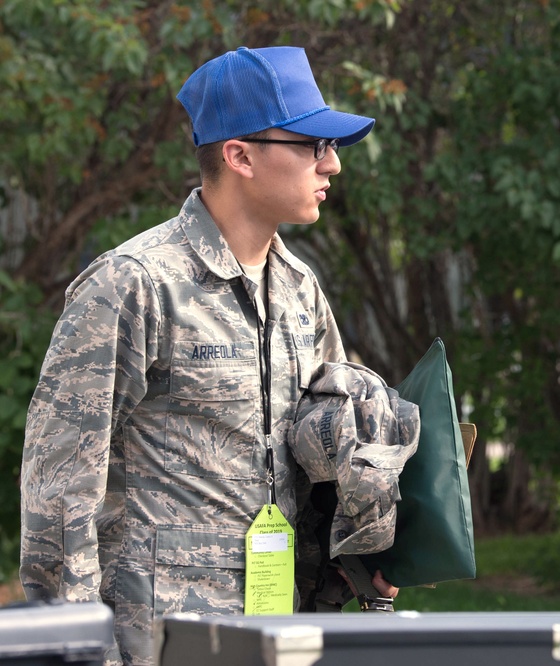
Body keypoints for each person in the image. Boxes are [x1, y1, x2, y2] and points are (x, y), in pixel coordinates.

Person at [19, 46, 397, 665]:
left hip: (279, 633)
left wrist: (365, 554)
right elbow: (60, 488)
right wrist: (74, 648)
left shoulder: (301, 290)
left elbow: (327, 450)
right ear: (240, 155)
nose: (331, 165)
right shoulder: (131, 285)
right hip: (158, 640)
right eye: (311, 145)